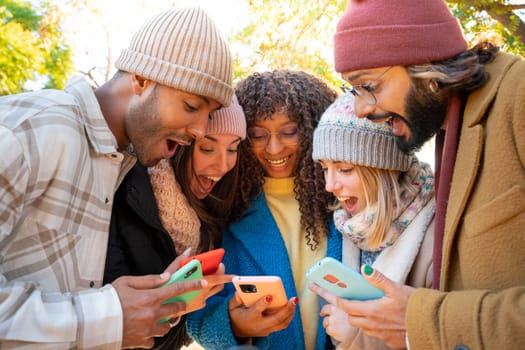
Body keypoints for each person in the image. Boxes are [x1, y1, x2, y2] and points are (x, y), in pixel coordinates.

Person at [0, 7, 234, 349]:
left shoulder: (122, 163)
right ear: (140, 78)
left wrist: (155, 302)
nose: (200, 130)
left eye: (209, 114)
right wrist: (107, 317)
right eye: (190, 106)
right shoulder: (29, 131)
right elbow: (94, 318)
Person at [316, 0, 525, 348]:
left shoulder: (518, 97)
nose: (362, 109)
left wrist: (421, 320)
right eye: (354, 90)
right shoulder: (450, 129)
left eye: (369, 86)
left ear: (423, 64)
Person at [186, 70, 341, 350]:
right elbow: (195, 315)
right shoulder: (224, 208)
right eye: (258, 135)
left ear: (314, 128)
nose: (273, 148)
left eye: (289, 131)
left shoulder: (342, 197)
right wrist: (233, 325)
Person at [103, 95, 247, 349]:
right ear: (179, 145)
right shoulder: (126, 193)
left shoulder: (212, 214)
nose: (223, 164)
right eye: (207, 148)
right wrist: (167, 300)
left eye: (233, 149)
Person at [309, 92, 435, 349]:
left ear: (383, 169)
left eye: (344, 169)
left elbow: (448, 337)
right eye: (324, 168)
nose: (329, 185)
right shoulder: (350, 226)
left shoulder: (437, 240)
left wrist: (357, 335)